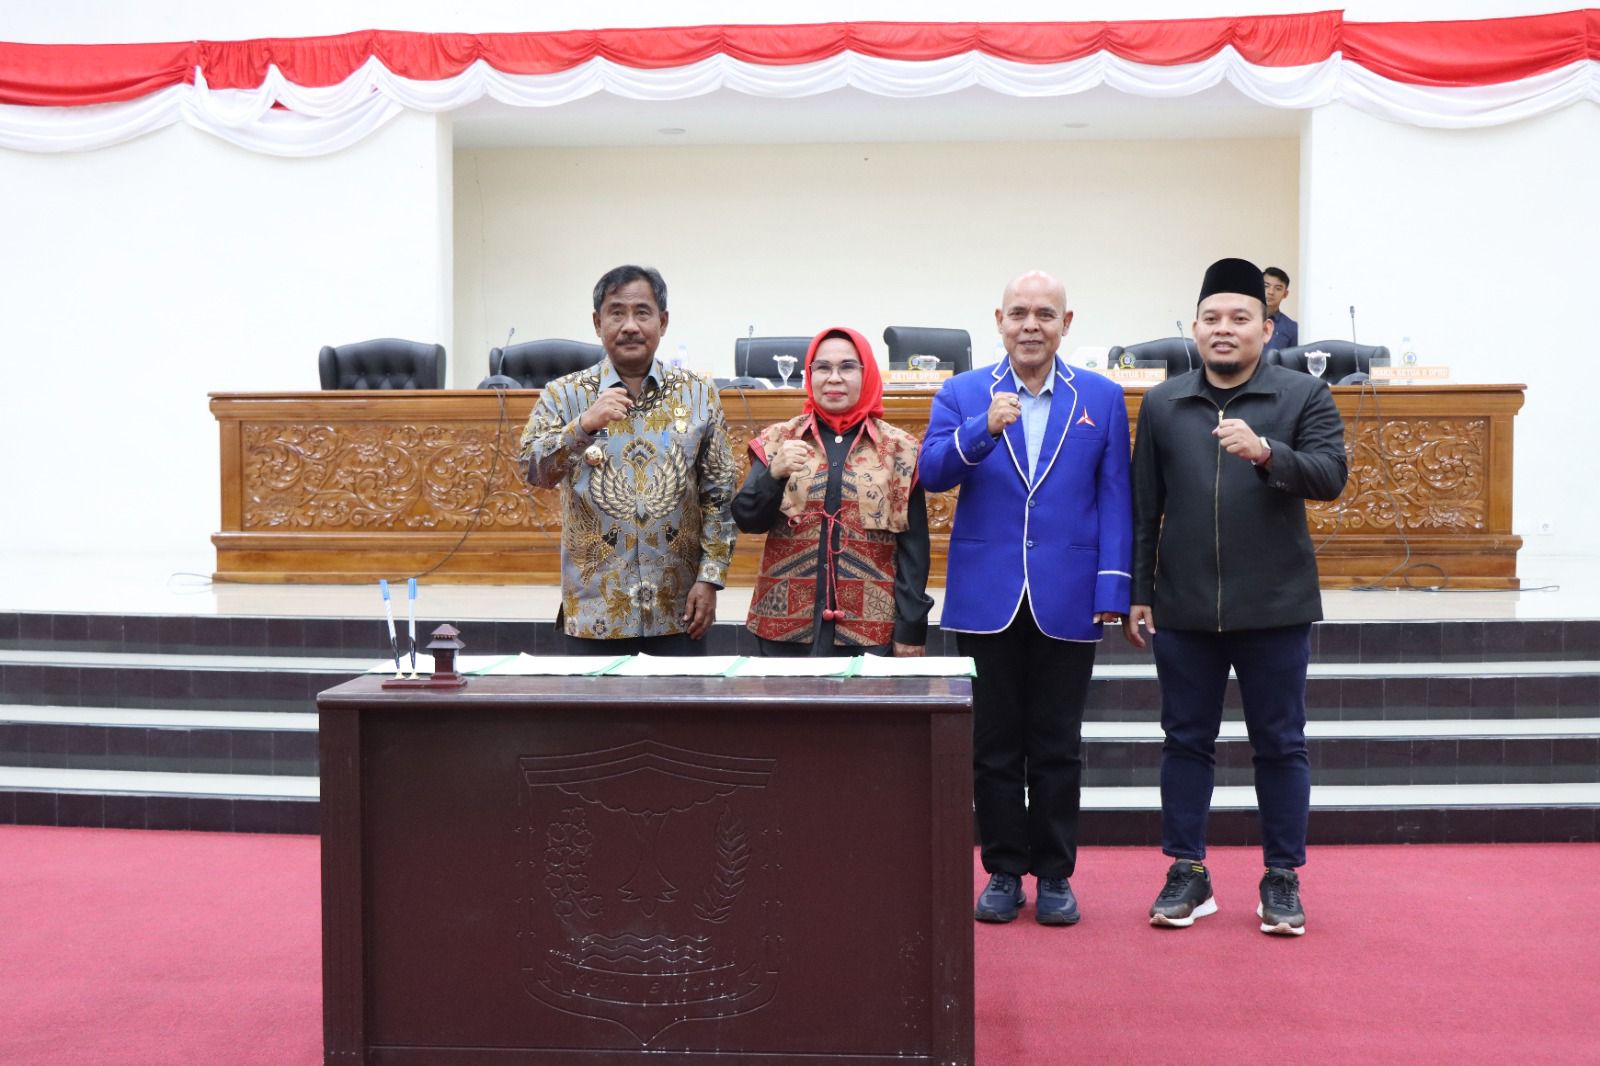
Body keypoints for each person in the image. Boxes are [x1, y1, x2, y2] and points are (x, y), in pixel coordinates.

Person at [1125, 257, 1347, 937]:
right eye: (1212, 319)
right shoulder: (1165, 404)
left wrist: (1265, 453)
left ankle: (1281, 876)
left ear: (1267, 327)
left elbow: (1331, 476)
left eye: (1240, 319)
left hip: (1274, 604)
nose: (1225, 330)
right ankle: (1187, 872)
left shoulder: (1303, 397)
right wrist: (1139, 593)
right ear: (1193, 328)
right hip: (1184, 605)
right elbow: (1144, 509)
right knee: (1184, 742)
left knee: (1279, 744)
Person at [920, 271, 1132, 926]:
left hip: (1068, 593)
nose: (1031, 325)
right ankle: (1005, 871)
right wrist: (981, 430)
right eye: (1019, 313)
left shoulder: (1099, 396)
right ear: (998, 320)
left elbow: (1116, 497)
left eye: (1045, 313)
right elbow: (931, 473)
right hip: (988, 596)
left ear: (1067, 324)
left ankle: (1057, 873)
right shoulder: (962, 394)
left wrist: (1113, 584)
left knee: (1058, 742)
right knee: (993, 744)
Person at [518, 264, 737, 654]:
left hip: (680, 609)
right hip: (594, 613)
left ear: (663, 322)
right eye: (617, 313)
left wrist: (710, 578)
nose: (630, 325)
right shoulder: (564, 395)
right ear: (597, 322)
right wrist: (582, 426)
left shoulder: (699, 395)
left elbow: (719, 496)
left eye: (642, 312)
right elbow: (533, 470)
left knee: (679, 716)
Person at [735, 327, 933, 657]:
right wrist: (774, 474)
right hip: (784, 630)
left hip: (869, 631)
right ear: (809, 374)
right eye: (823, 368)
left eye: (847, 367)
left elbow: (914, 551)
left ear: (866, 373)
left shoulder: (901, 450)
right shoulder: (780, 439)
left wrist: (911, 629)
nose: (834, 378)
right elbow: (747, 518)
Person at [1262, 266, 1299, 353]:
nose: (1270, 292)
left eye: (1278, 288)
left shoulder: (1292, 328)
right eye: (1266, 286)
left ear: (1285, 294)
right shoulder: (1244, 320)